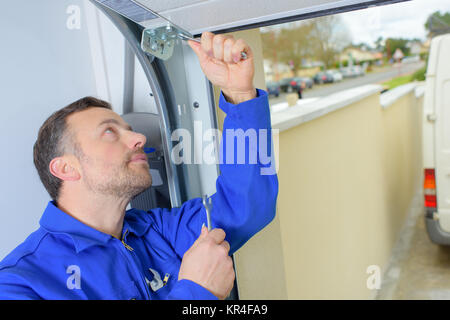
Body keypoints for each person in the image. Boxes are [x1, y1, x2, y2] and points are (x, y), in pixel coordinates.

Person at [0, 32, 278, 300]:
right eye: (109, 132)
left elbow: (245, 206)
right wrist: (197, 291)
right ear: (66, 168)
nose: (139, 138)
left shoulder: (156, 232)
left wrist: (239, 94)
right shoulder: (20, 283)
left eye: (129, 129)